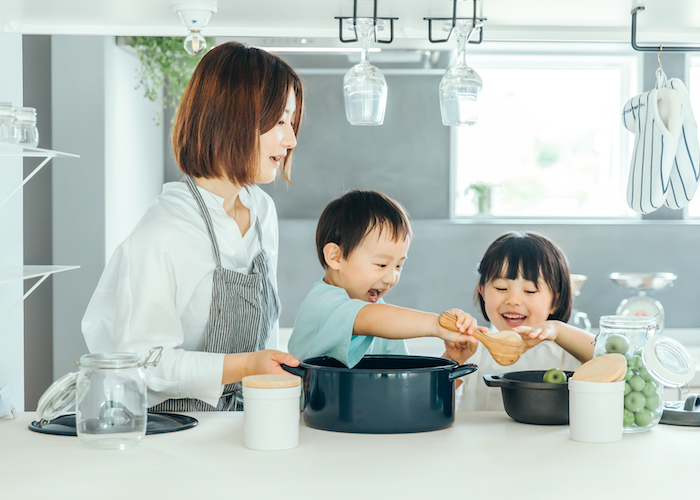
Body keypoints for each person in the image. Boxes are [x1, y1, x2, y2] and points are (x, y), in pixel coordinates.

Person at [82, 41, 304, 411]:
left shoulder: (262, 211)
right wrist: (247, 365)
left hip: (243, 418)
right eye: (279, 121)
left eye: (291, 122)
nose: (291, 139)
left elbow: (266, 330)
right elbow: (143, 362)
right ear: (232, 118)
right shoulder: (164, 232)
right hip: (174, 430)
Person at [288, 190, 480, 369]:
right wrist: (436, 324)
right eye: (381, 265)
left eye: (398, 266)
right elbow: (368, 318)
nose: (391, 278)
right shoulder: (323, 305)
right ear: (335, 257)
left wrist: (454, 359)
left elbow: (407, 386)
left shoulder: (384, 318)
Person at [457, 231, 595, 411]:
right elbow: (430, 397)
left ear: (555, 301)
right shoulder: (473, 348)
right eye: (501, 288)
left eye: (530, 291)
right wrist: (454, 359)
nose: (513, 300)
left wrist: (559, 330)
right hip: (483, 440)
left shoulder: (567, 350)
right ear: (483, 292)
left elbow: (613, 360)